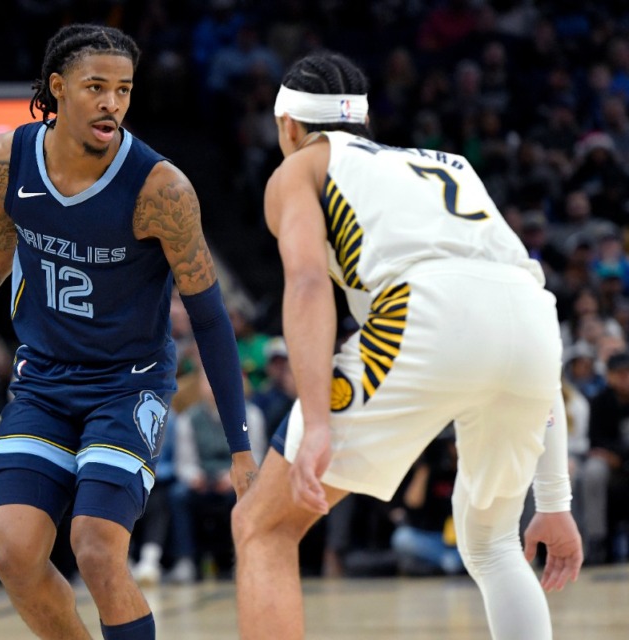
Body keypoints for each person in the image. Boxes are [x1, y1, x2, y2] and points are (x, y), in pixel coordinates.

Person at [231, 51, 582, 640]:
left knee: (263, 527)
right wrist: (553, 501)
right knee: (493, 543)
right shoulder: (452, 165)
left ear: (287, 125)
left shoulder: (300, 168)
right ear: (363, 122)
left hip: (424, 313)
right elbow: (518, 314)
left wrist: (317, 421)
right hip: (531, 318)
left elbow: (310, 283)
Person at [0, 24, 257, 640]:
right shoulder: (5, 161)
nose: (112, 102)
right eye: (96, 87)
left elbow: (208, 316)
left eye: (123, 90)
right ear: (57, 89)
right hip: (44, 380)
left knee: (97, 549)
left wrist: (239, 445)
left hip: (127, 385)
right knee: (13, 552)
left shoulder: (162, 189)